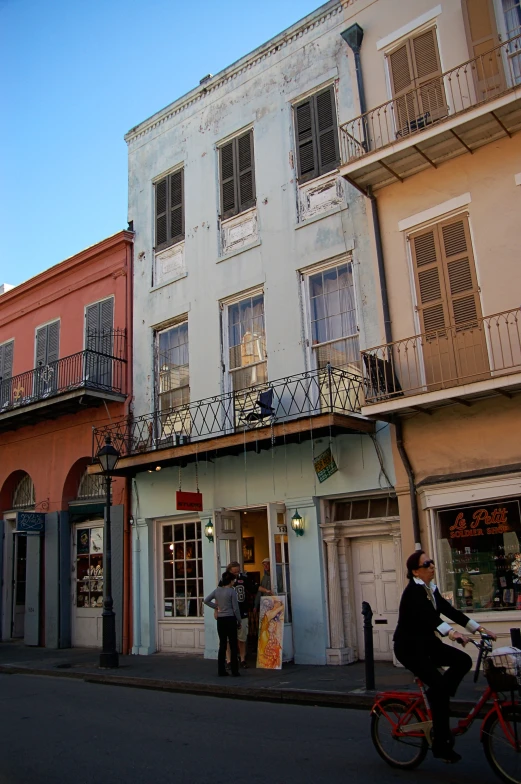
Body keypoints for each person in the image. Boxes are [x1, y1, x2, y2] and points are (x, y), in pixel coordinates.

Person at [393, 550, 496, 763]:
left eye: (432, 562)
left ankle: (438, 697)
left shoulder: (431, 589)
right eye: (427, 564)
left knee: (463, 661)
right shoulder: (413, 592)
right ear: (415, 571)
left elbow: (450, 611)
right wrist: (452, 633)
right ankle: (440, 744)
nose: (432, 566)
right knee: (439, 688)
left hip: (428, 644)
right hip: (409, 648)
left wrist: (479, 629)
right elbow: (429, 617)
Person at [204, 571, 242, 677]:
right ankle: (235, 670)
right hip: (230, 618)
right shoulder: (231, 592)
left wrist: (216, 607)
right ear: (230, 581)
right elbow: (235, 608)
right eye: (233, 580)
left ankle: (221, 670)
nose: (234, 582)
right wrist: (239, 620)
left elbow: (206, 600)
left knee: (223, 644)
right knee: (233, 645)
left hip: (221, 620)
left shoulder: (217, 591)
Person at [222, 561, 254, 669]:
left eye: (238, 571)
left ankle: (243, 659)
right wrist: (217, 610)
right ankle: (229, 660)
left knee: (242, 637)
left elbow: (253, 587)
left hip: (241, 611)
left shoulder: (243, 579)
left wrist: (267, 591)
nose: (236, 574)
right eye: (234, 572)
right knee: (228, 639)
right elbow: (218, 594)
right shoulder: (225, 580)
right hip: (228, 613)